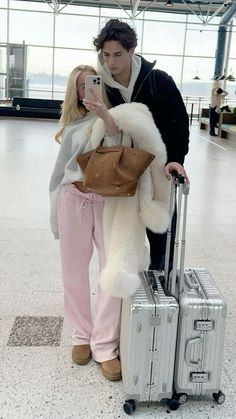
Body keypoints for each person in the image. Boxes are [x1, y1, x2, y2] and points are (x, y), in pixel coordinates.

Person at [93, 18, 190, 271]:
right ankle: (129, 297)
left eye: (117, 54)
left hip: (158, 171)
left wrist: (176, 158)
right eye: (105, 55)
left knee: (162, 238)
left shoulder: (158, 81)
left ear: (132, 50)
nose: (111, 63)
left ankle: (162, 294)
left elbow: (179, 123)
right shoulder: (101, 86)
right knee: (123, 241)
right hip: (123, 173)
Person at [49, 65, 123, 381]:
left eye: (92, 83)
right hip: (73, 201)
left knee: (112, 271)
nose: (86, 90)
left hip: (106, 202)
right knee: (74, 274)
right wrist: (54, 217)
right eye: (81, 85)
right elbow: (59, 173)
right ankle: (82, 334)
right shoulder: (71, 127)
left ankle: (105, 344)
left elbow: (118, 139)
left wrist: (104, 113)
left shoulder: (114, 116)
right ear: (75, 91)